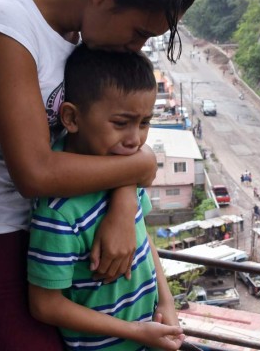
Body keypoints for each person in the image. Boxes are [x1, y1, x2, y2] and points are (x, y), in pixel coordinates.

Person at [0, 0, 197, 349]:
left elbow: (117, 128)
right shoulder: (7, 26)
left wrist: (122, 202)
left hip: (82, 226)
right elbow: (35, 173)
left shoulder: (85, 34)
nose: (136, 48)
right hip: (5, 240)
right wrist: (143, 164)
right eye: (138, 32)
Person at [28, 45, 182, 350]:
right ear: (71, 118)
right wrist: (134, 331)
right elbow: (45, 304)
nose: (135, 139)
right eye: (121, 123)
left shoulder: (124, 174)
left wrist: (167, 302)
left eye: (145, 123)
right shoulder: (59, 211)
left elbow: (143, 239)